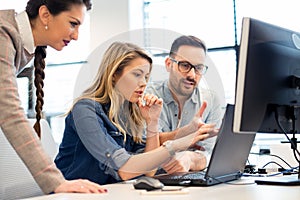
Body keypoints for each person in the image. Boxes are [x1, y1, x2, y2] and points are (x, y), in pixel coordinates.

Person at [54, 42, 214, 185]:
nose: (144, 83)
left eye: (146, 76)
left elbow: (149, 170)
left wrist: (152, 123)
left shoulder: (129, 114)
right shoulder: (85, 110)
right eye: (137, 74)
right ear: (114, 74)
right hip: (71, 195)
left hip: (107, 194)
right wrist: (179, 144)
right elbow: (125, 170)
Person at [0, 0, 107, 194]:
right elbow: (10, 114)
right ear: (45, 14)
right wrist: (56, 182)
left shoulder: (19, 42)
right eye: (73, 24)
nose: (76, 36)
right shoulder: (2, 35)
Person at [146, 35, 223, 174]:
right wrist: (189, 132)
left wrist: (190, 158)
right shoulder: (149, 97)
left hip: (192, 181)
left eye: (198, 68)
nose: (192, 75)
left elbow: (210, 154)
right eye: (185, 66)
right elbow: (147, 147)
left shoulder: (211, 100)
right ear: (169, 64)